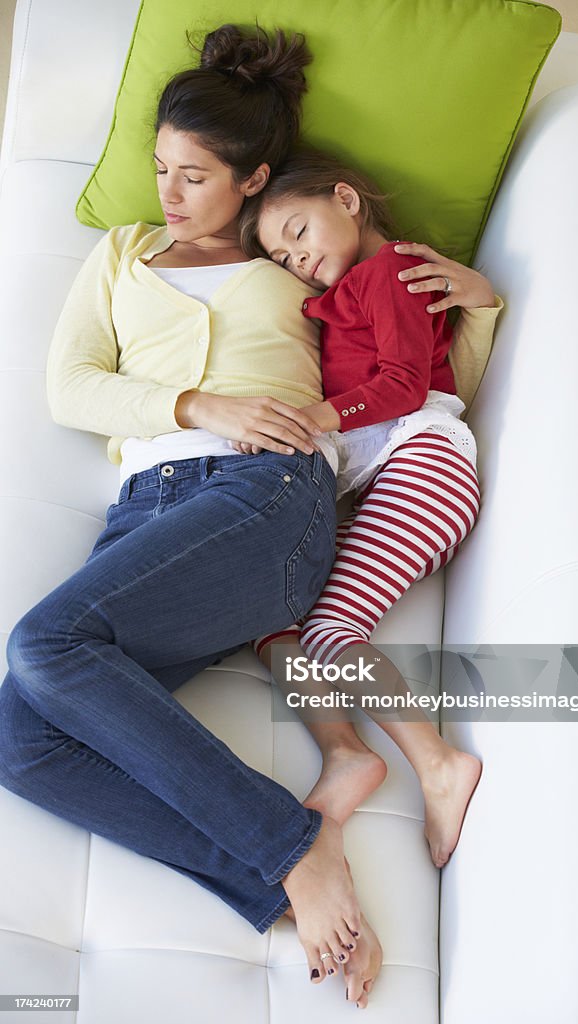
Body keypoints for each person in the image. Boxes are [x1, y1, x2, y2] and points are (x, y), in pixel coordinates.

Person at [0, 25, 380, 1007]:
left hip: (268, 499)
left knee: (42, 644)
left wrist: (470, 304)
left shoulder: (293, 264)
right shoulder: (122, 252)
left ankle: (288, 844)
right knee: (18, 735)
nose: (168, 193)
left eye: (196, 176)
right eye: (162, 167)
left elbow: (407, 368)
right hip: (146, 518)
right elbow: (69, 385)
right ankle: (278, 875)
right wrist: (194, 405)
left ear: (255, 179)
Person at [239, 149, 504, 868]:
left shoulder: (387, 272)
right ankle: (346, 754)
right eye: (281, 257)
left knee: (328, 631)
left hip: (425, 462)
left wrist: (314, 417)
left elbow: (400, 386)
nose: (296, 258)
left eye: (299, 232)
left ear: (347, 201)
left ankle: (437, 764)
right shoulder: (352, 288)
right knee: (273, 621)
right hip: (388, 476)